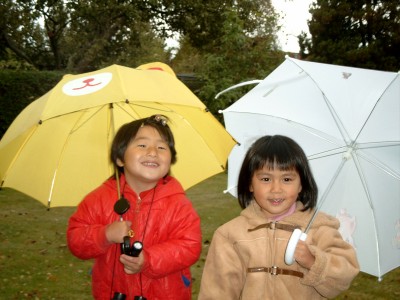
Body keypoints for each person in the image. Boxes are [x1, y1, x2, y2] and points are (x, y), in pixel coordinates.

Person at [198, 135, 359, 299]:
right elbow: (216, 292)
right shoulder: (230, 236)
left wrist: (313, 261)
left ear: (301, 184)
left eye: (287, 179)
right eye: (266, 179)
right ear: (250, 184)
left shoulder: (319, 229)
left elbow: (345, 270)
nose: (276, 189)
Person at [67, 115, 202, 300]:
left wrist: (149, 260)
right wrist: (104, 234)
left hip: (165, 293)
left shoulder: (178, 203)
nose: (153, 152)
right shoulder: (98, 199)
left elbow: (189, 245)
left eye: (162, 147)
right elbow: (76, 240)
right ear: (120, 159)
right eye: (142, 145)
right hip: (112, 292)